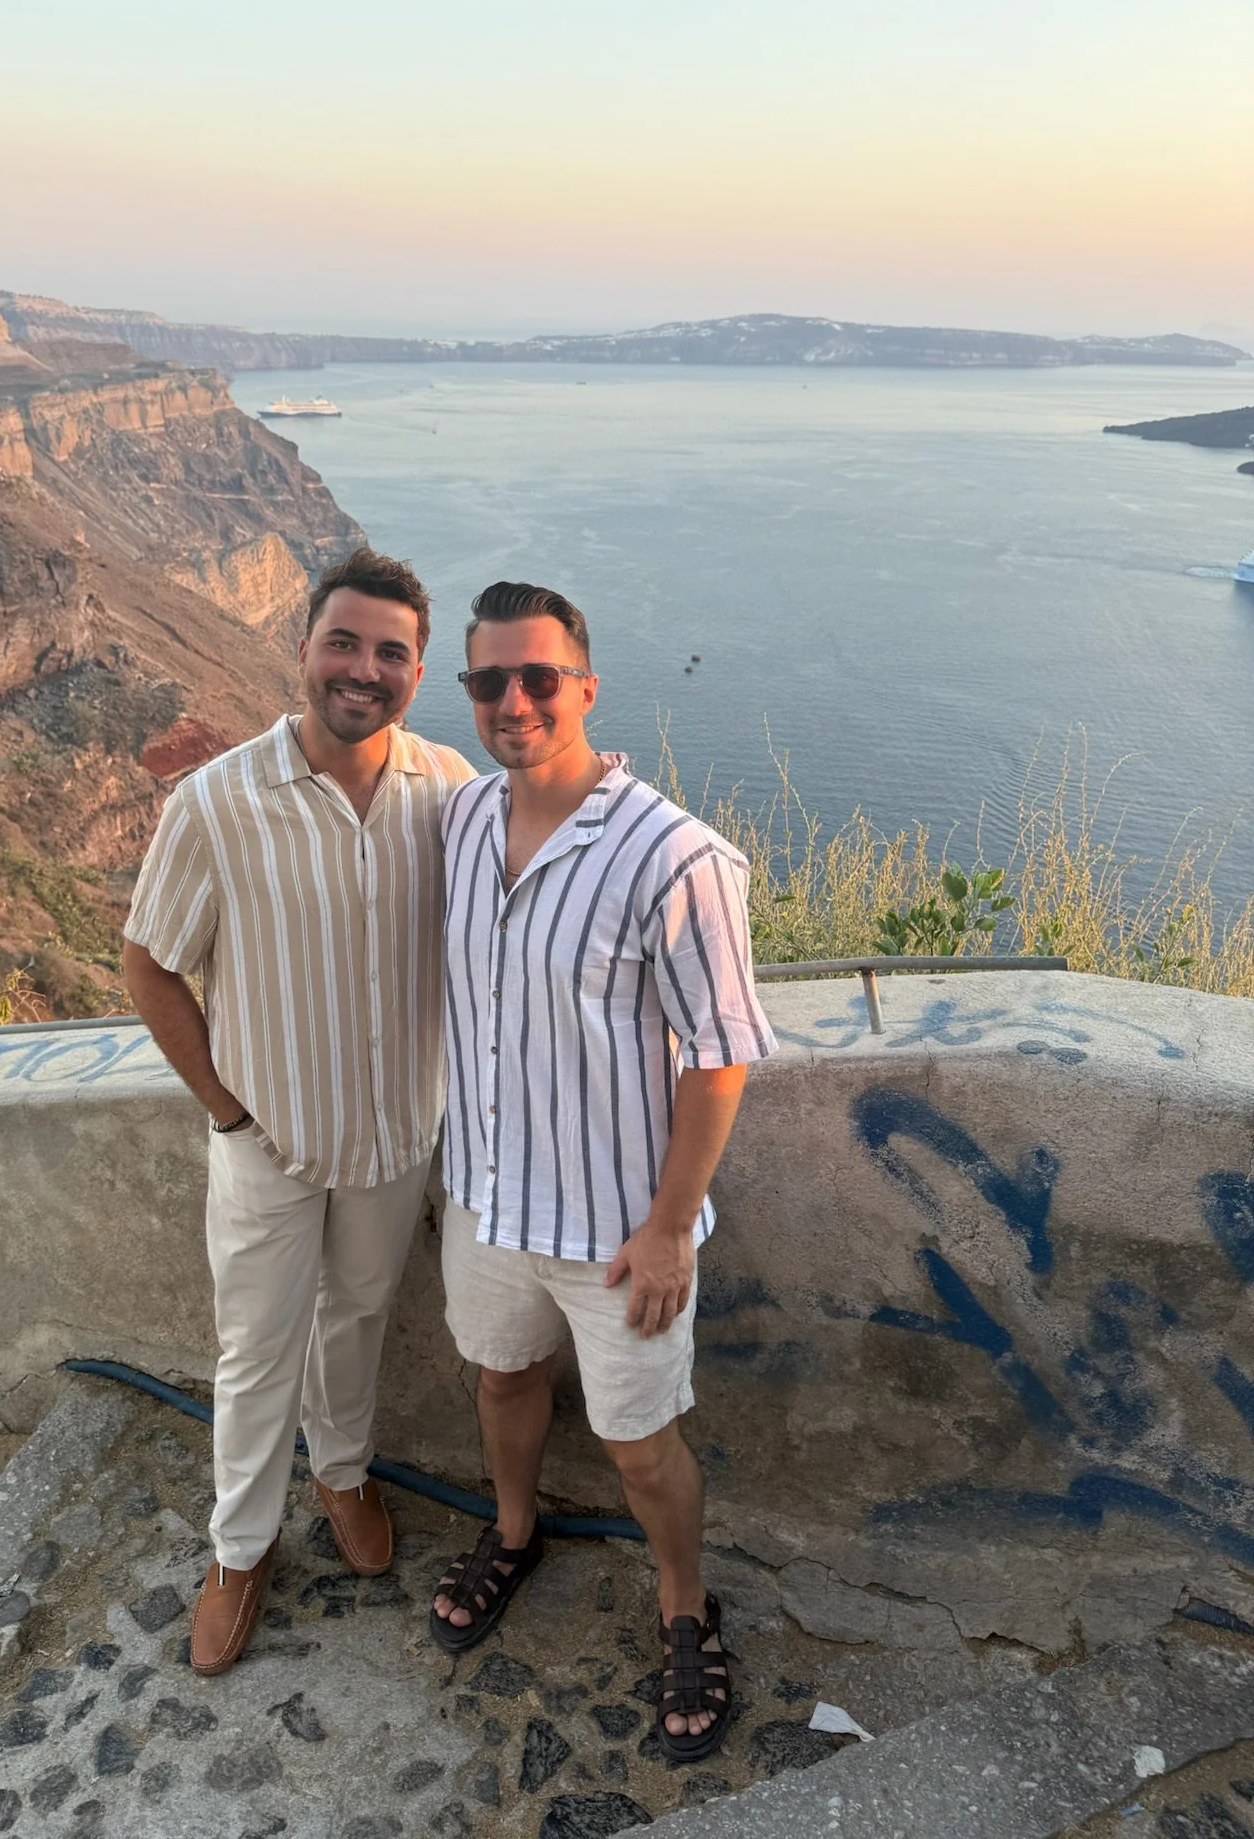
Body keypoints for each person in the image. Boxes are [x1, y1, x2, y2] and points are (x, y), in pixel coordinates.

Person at [430, 579, 776, 1763]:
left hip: (615, 1225)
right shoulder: (466, 820)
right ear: (467, 692)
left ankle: (685, 1605)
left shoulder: (673, 854)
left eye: (538, 677)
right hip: (484, 1197)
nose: (514, 700)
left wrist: (674, 1224)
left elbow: (722, 1050)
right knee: (499, 1382)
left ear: (585, 685)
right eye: (489, 680)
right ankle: (514, 1530)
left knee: (642, 1445)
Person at [122, 547, 474, 1676]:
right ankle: (237, 1552)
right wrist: (228, 1112)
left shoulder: (450, 792)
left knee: (359, 1313)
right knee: (256, 1347)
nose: (363, 669)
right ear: (304, 645)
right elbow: (148, 961)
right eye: (344, 641)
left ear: (416, 669)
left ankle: (343, 1472)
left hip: (391, 1138)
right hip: (267, 1139)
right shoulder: (218, 802)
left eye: (390, 651)